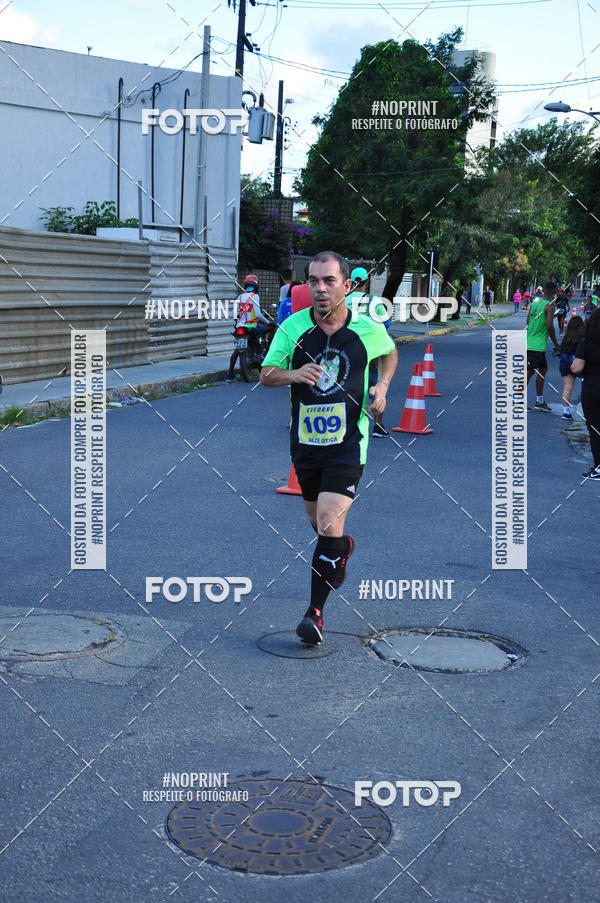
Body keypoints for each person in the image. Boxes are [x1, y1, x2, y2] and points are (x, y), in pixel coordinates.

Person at [260, 250, 398, 644]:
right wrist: (294, 373)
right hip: (305, 447)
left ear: (346, 286)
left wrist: (382, 386)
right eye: (314, 281)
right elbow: (267, 374)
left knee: (326, 524)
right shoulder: (293, 327)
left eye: (329, 281)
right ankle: (342, 548)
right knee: (322, 528)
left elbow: (390, 353)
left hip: (347, 447)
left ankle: (313, 614)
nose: (320, 289)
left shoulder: (367, 329)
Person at [346, 266, 392, 437]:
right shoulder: (373, 301)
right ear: (366, 282)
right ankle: (378, 427)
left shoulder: (342, 300)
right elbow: (386, 324)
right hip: (370, 351)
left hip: (347, 349)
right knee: (376, 384)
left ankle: (351, 424)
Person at [226, 275, 273, 382]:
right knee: (270, 329)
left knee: (237, 350)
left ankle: (229, 374)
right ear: (257, 285)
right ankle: (265, 354)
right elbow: (258, 314)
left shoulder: (240, 297)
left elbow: (234, 313)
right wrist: (268, 322)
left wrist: (241, 319)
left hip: (240, 327)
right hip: (252, 327)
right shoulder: (255, 296)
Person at [571, 308, 600, 479]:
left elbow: (576, 367)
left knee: (596, 429)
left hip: (592, 389)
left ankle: (598, 468)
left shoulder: (587, 343)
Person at [526, 280, 559, 412]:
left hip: (530, 341)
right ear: (554, 293)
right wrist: (556, 344)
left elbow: (528, 321)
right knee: (529, 372)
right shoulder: (550, 306)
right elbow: (550, 326)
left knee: (543, 369)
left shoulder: (534, 303)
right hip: (537, 345)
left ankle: (539, 401)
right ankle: (517, 399)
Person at [558, 315, 585, 421]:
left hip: (564, 363)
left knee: (567, 388)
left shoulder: (566, 338)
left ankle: (566, 412)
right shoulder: (581, 340)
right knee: (585, 385)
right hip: (576, 364)